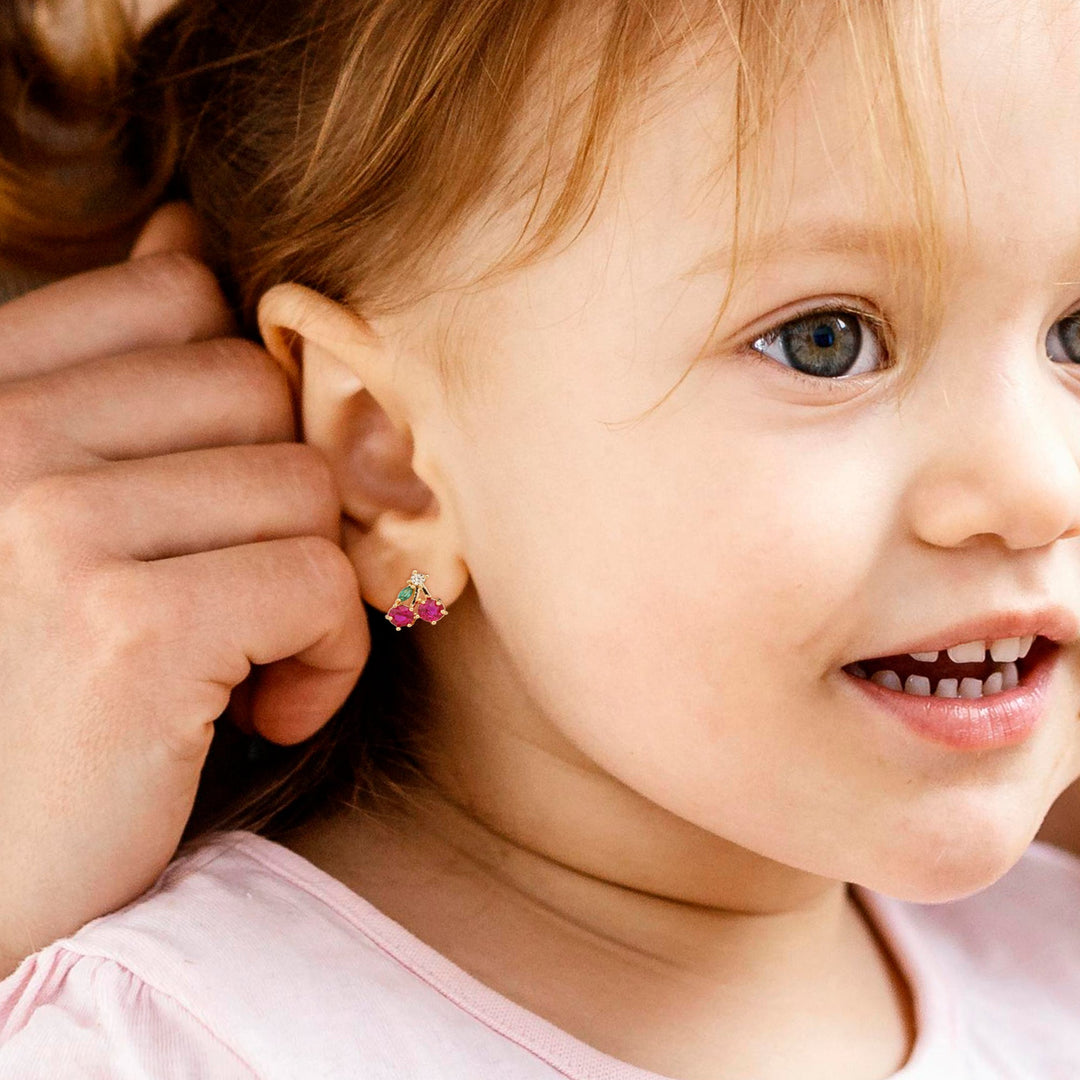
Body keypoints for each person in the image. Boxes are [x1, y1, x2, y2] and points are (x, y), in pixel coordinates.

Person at [3, 0, 1080, 1076]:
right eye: (825, 341)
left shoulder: (1058, 967)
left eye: (1074, 336)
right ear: (392, 463)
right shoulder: (171, 1044)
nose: (1039, 488)